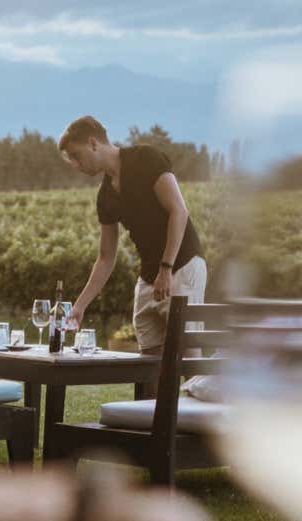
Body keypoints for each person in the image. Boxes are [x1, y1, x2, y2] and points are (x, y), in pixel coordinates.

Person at [59, 115, 207, 361]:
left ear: (93, 143)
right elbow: (105, 258)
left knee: (187, 352)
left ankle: (197, 386)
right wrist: (79, 306)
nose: (75, 164)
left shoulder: (146, 158)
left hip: (182, 266)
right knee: (149, 361)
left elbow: (179, 211)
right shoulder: (105, 197)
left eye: (76, 155)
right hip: (149, 276)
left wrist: (166, 268)